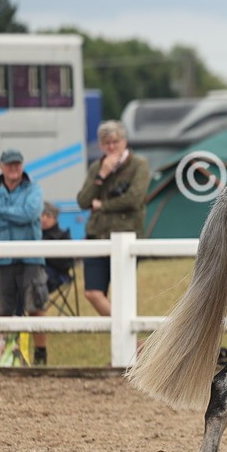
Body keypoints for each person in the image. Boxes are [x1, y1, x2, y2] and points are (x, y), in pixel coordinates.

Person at [0, 148, 48, 363]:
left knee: (36, 307)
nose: (14, 168)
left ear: (23, 165)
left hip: (30, 257)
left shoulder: (33, 188)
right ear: (1, 166)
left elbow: (31, 213)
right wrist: (16, 215)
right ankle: (8, 356)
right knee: (3, 310)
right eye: (9, 164)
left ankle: (40, 356)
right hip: (0, 258)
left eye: (17, 163)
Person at [77, 120, 149, 316]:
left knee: (122, 295)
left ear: (124, 141)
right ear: (100, 145)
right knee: (92, 293)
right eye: (106, 143)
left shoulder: (138, 165)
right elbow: (83, 201)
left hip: (126, 236)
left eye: (115, 142)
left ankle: (129, 343)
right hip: (96, 236)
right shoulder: (96, 167)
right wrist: (102, 175)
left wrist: (102, 205)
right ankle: (135, 343)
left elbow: (134, 199)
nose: (111, 147)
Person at [40, 202, 75, 292]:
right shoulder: (32, 236)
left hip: (56, 274)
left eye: (48, 216)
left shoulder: (62, 236)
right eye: (41, 215)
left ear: (55, 218)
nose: (44, 219)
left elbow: (66, 263)